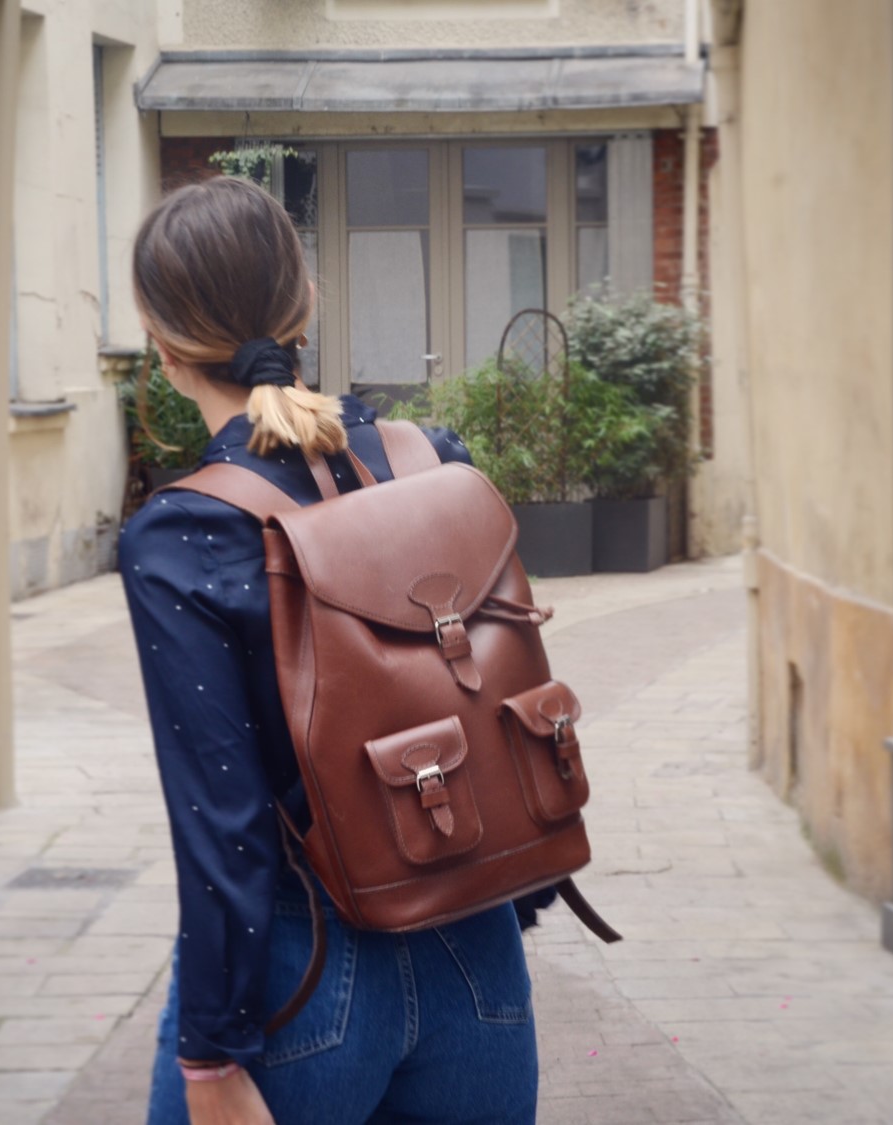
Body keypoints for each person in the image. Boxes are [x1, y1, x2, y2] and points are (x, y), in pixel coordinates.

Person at [121, 176, 543, 1125]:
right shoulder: (435, 461)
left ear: (161, 342)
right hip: (476, 947)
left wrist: (211, 1057)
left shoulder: (182, 532)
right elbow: (497, 699)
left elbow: (222, 820)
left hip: (299, 971)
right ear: (306, 302)